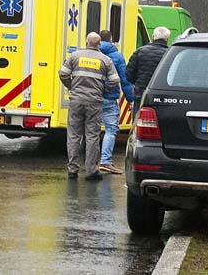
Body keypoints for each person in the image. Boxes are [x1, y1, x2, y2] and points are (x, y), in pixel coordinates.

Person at [59, 32, 120, 181]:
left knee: (73, 135)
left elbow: (63, 74)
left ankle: (72, 169)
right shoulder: (105, 60)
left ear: (86, 42)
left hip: (76, 100)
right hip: (94, 101)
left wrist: (72, 87)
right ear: (99, 44)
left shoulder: (75, 56)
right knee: (92, 136)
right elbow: (114, 80)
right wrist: (103, 91)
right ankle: (91, 171)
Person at [98, 29, 134, 175]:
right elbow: (125, 81)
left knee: (91, 130)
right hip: (110, 98)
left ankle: (90, 160)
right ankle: (105, 161)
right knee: (111, 130)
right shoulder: (117, 56)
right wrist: (130, 99)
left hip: (92, 97)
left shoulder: (92, 54)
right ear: (111, 39)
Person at [126, 26, 171, 113]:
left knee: (138, 120)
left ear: (153, 36)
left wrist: (138, 83)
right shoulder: (169, 54)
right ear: (167, 39)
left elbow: (129, 74)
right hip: (162, 96)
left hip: (141, 94)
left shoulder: (140, 52)